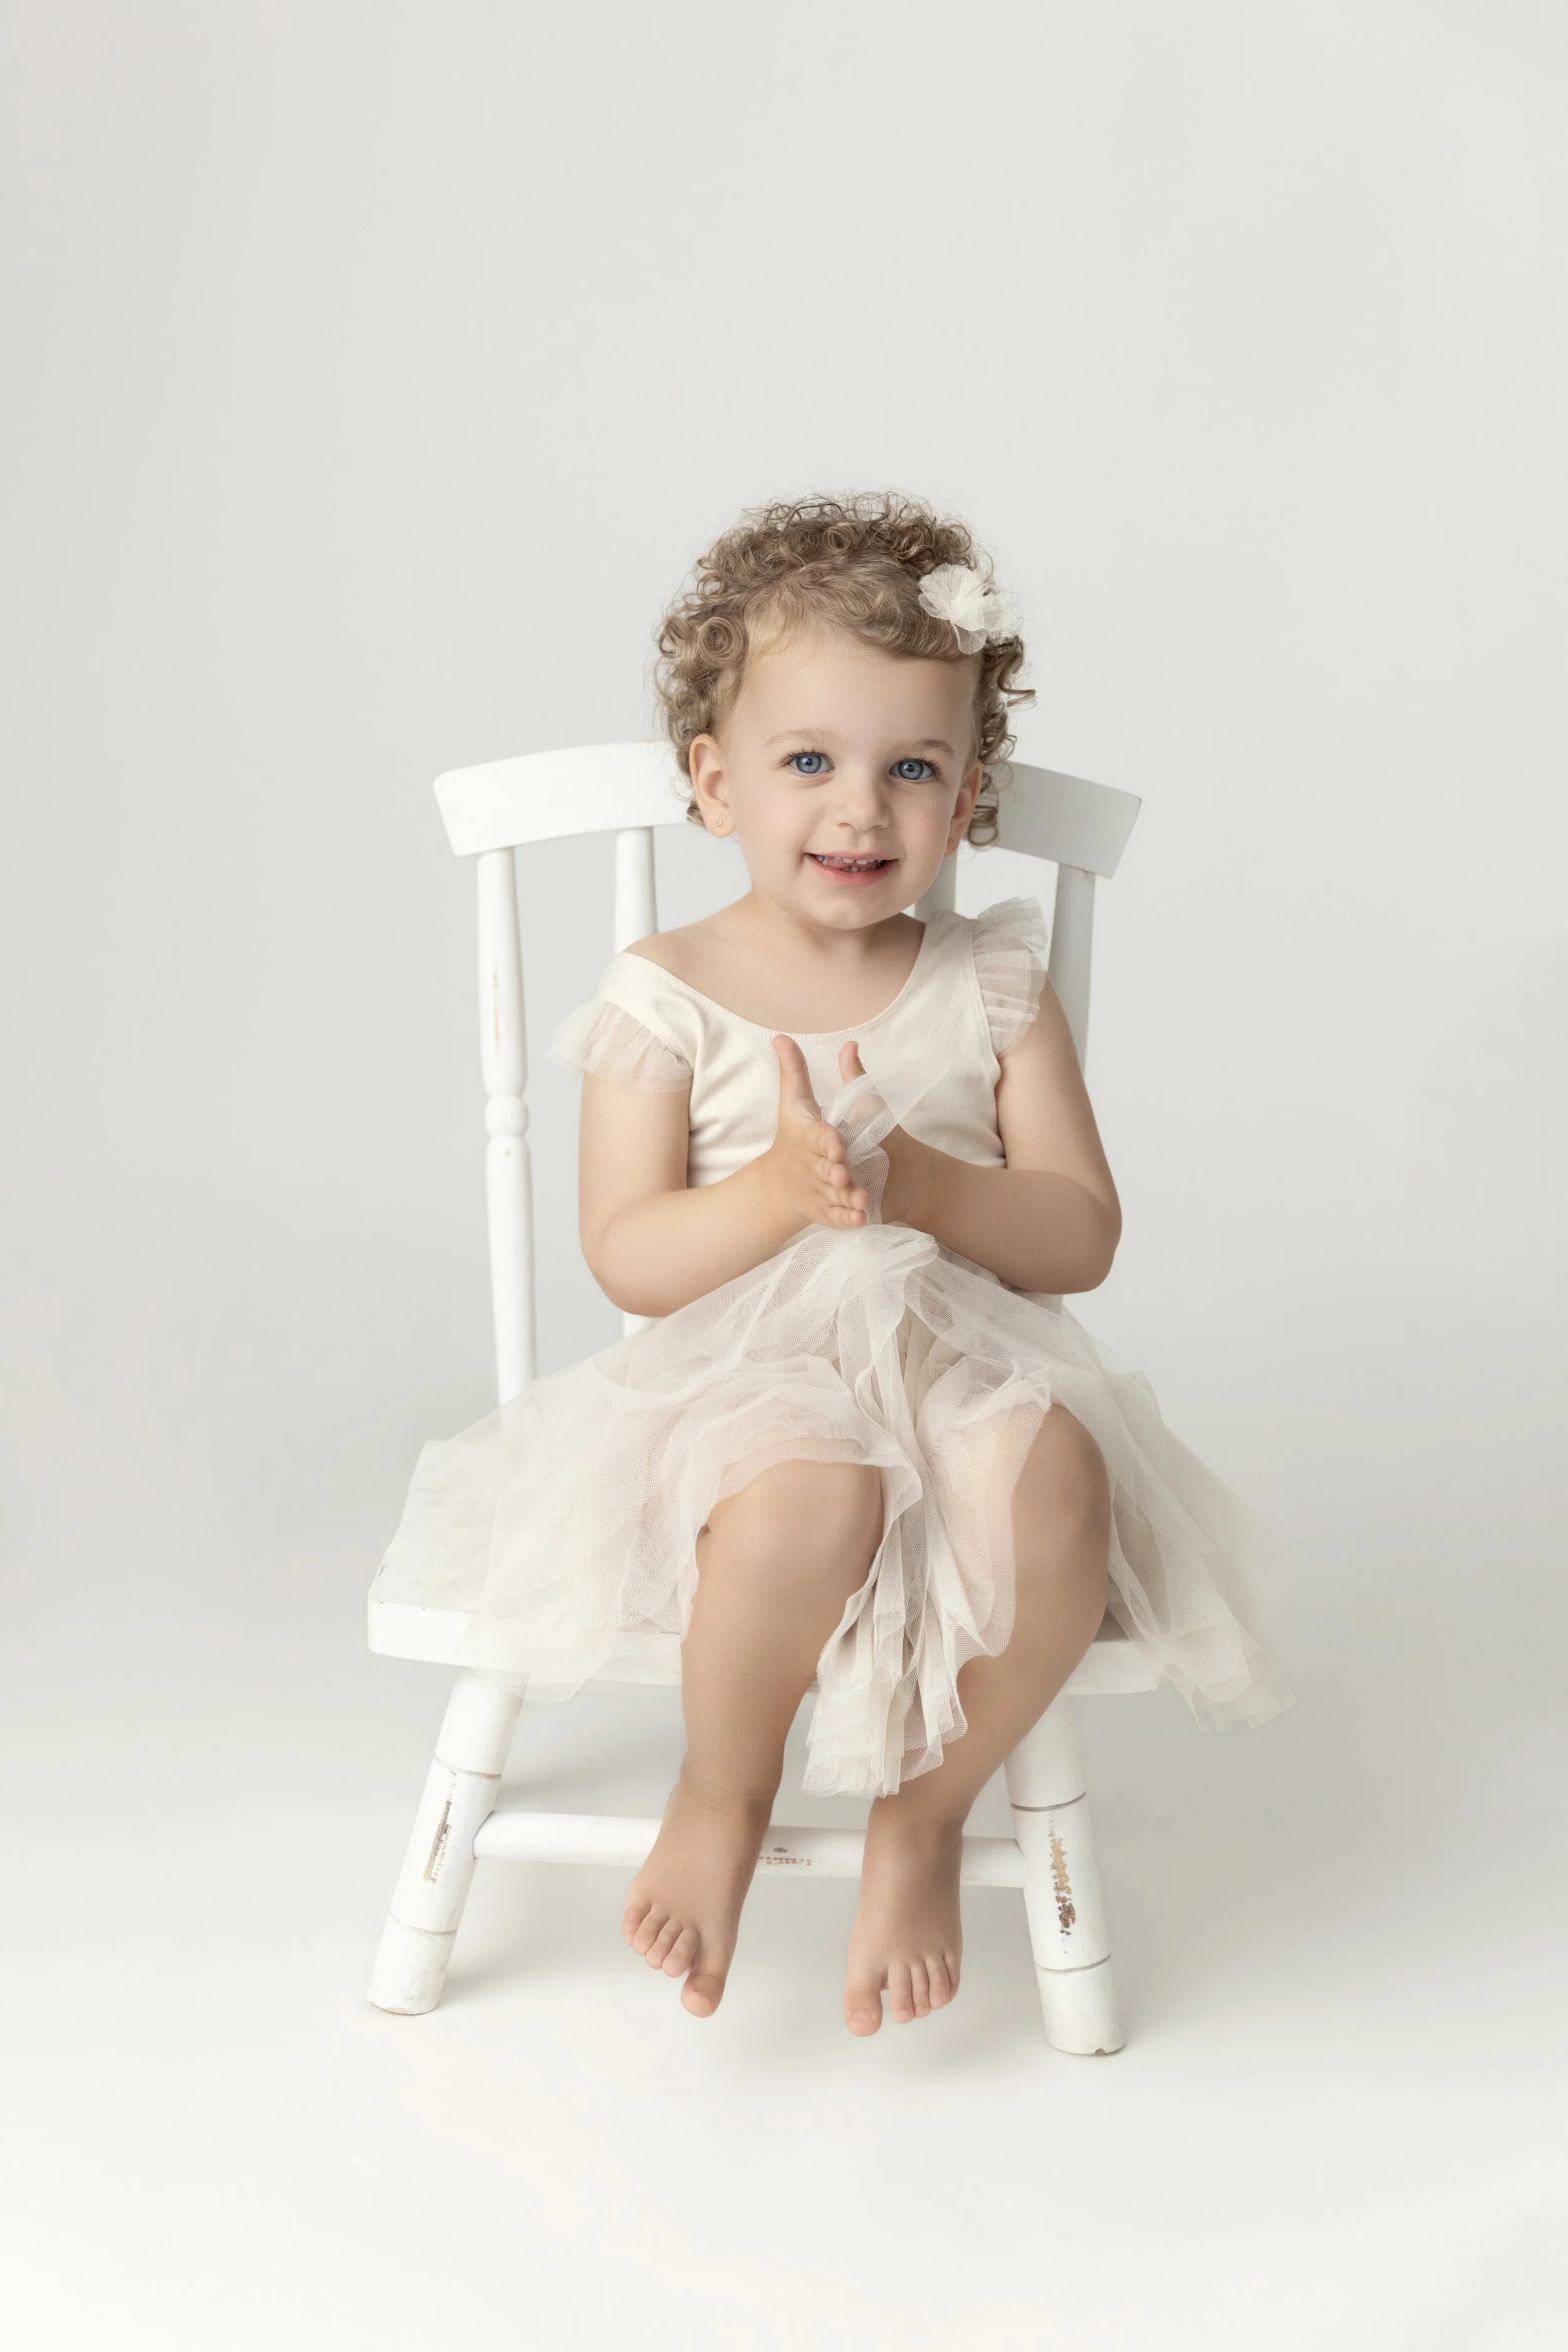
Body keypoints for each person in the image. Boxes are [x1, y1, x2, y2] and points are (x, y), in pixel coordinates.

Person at [379, 492, 1294, 2036]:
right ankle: (721, 1793)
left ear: (968, 793)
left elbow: (1079, 1233)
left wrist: (921, 1182)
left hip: (956, 1362)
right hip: (736, 1387)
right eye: (807, 761)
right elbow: (629, 1251)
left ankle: (924, 1818)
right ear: (712, 780)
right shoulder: (662, 991)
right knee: (813, 1492)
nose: (859, 809)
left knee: (1056, 1488)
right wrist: (779, 1200)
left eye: (910, 768)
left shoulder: (986, 978)